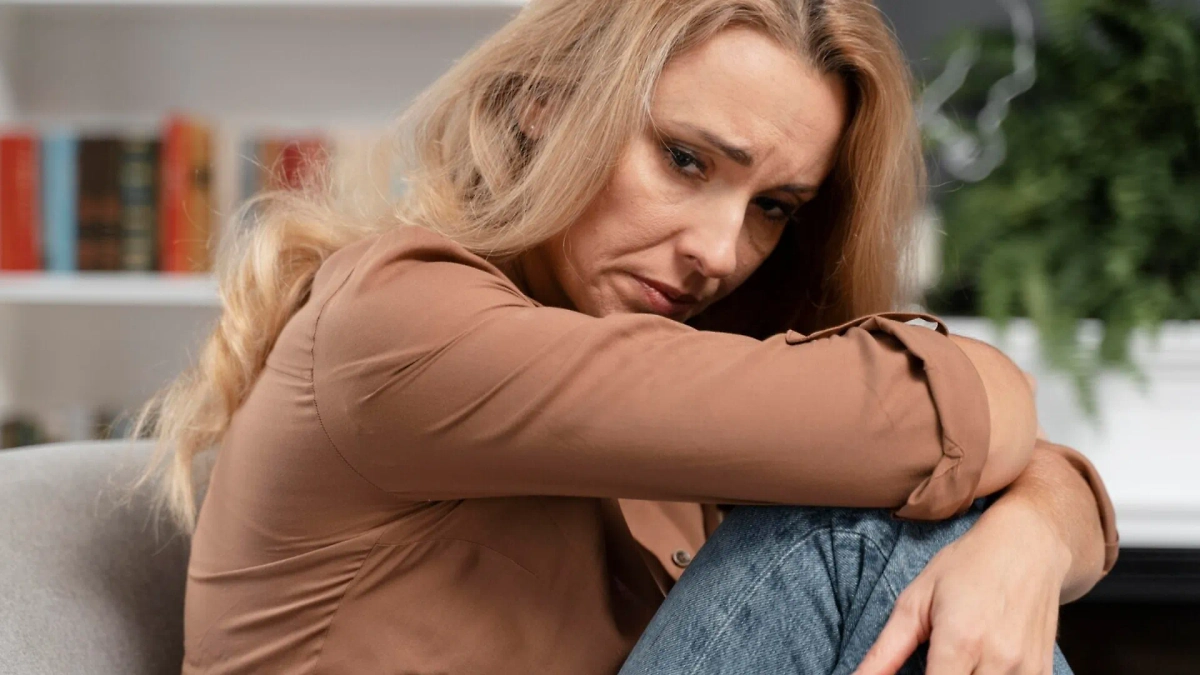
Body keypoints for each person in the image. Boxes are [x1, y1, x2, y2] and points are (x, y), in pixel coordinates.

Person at [135, 0, 1119, 673]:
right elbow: (951, 418)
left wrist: (1029, 535)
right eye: (685, 159)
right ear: (547, 101)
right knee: (846, 531)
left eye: (773, 207)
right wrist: (1002, 422)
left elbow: (992, 460)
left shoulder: (659, 365)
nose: (719, 252)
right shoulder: (404, 319)